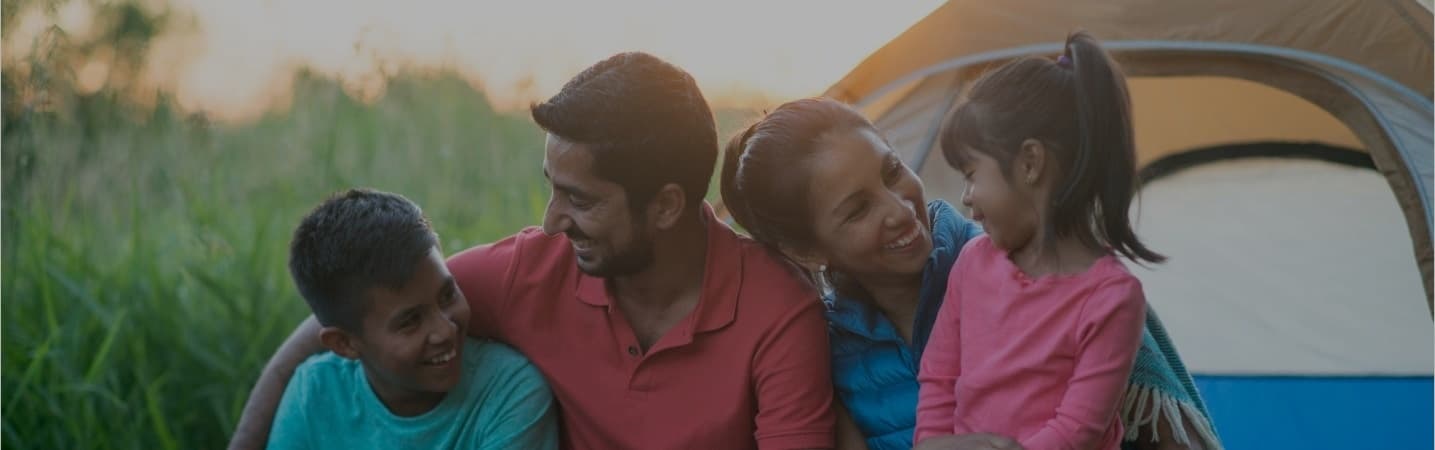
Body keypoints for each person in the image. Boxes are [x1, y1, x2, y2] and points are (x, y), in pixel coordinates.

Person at [228, 52, 836, 450]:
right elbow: (358, 314)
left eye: (580, 200)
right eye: (552, 188)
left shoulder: (779, 312)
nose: (551, 221)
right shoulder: (530, 270)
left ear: (667, 205)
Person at [719, 99, 1220, 448]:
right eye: (857, 211)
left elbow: (1165, 432)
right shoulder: (830, 348)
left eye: (892, 170)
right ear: (808, 250)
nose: (898, 209)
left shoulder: (1036, 268)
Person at [914, 31, 1164, 449]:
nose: (967, 198)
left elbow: (1077, 431)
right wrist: (932, 444)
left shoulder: (1111, 299)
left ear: (1030, 163)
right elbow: (939, 376)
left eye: (972, 174)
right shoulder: (973, 262)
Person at [269, 188, 557, 449]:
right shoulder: (313, 394)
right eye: (410, 321)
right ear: (344, 343)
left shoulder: (510, 392)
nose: (445, 331)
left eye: (447, 296)